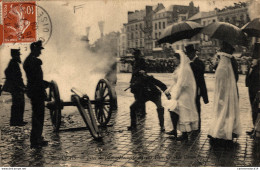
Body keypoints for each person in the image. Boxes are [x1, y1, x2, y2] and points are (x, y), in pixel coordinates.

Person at [208, 41, 242, 143]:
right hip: (226, 92)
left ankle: (223, 132)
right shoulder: (225, 64)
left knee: (225, 112)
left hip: (225, 93)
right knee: (226, 112)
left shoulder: (225, 65)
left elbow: (234, 77)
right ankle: (226, 131)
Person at [165, 51, 198, 140]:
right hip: (178, 92)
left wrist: (176, 96)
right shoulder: (179, 68)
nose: (173, 60)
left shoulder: (185, 69)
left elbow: (182, 84)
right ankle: (174, 130)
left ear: (180, 59)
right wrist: (169, 89)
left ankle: (184, 134)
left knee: (182, 112)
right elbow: (176, 81)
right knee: (172, 110)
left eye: (175, 59)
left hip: (184, 94)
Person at [23, 40, 49, 149]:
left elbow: (37, 79)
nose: (40, 52)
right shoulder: (31, 61)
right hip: (36, 92)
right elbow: (36, 80)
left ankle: (38, 137)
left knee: (39, 116)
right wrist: (45, 84)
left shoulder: (31, 60)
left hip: (36, 91)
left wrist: (46, 83)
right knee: (37, 116)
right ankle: (34, 141)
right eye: (39, 50)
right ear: (34, 49)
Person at [185, 45, 208, 131]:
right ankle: (192, 123)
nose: (188, 56)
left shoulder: (199, 62)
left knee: (197, 106)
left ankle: (197, 126)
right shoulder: (188, 62)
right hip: (190, 88)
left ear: (193, 53)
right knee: (190, 106)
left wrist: (191, 63)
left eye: (189, 54)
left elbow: (200, 72)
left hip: (197, 88)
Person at [2, 49, 27, 126]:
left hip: (17, 86)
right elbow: (14, 77)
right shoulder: (13, 64)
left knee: (19, 103)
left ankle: (18, 120)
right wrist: (20, 87)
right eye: (18, 55)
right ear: (14, 56)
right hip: (16, 87)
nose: (19, 56)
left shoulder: (13, 63)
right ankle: (15, 122)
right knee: (17, 104)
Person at [245, 42, 260, 135]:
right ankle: (255, 127)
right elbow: (248, 77)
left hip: (257, 90)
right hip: (251, 90)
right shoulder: (252, 65)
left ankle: (256, 128)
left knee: (257, 110)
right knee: (253, 109)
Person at [130, 49, 146, 117]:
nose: (134, 56)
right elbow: (133, 72)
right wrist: (131, 81)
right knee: (136, 95)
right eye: (134, 54)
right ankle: (138, 109)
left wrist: (138, 72)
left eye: (135, 54)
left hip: (140, 81)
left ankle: (142, 111)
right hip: (135, 80)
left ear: (138, 54)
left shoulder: (141, 60)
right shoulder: (134, 61)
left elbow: (144, 69)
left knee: (141, 96)